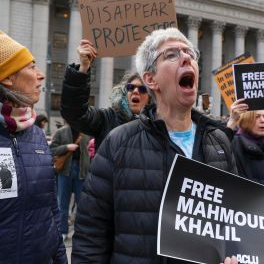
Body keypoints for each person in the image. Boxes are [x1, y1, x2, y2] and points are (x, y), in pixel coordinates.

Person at [72, 27, 237, 263]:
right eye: (171, 54)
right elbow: (91, 236)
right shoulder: (118, 143)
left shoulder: (218, 141)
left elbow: (235, 225)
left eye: (189, 52)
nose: (186, 57)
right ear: (151, 79)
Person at [0, 30, 66, 263]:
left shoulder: (37, 136)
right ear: (7, 77)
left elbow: (51, 209)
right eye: (31, 67)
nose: (40, 76)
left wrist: (59, 257)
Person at [61, 39, 151, 150]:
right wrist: (83, 68)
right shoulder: (107, 119)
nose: (135, 91)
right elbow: (74, 114)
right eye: (130, 87)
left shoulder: (159, 125)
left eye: (142, 89)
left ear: (151, 97)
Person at [50, 123, 91, 241]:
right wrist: (66, 147)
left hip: (81, 171)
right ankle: (63, 231)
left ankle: (79, 231)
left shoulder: (86, 132)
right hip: (65, 171)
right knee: (63, 203)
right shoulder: (61, 132)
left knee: (82, 204)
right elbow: (52, 149)